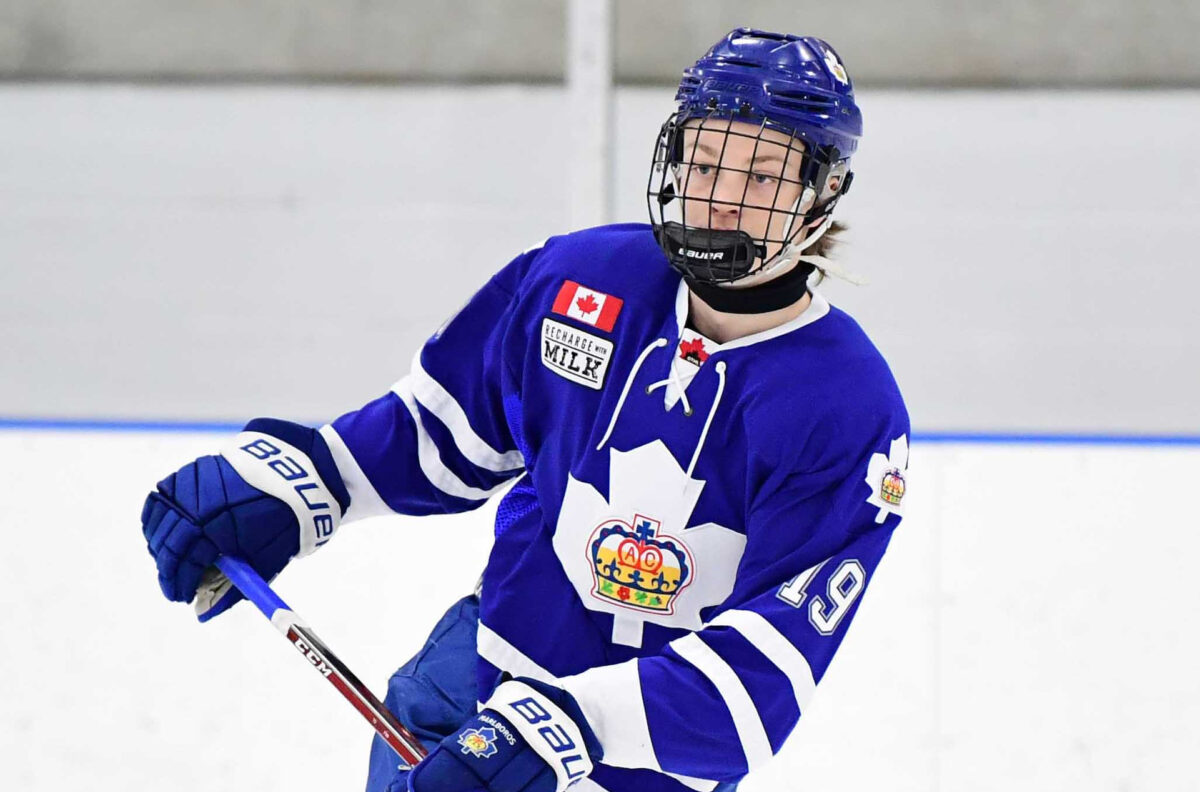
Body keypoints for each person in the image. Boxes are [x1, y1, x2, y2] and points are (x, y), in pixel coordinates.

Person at [141, 28, 910, 792]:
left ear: (824, 192)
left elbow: (755, 687)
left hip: (640, 772)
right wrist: (304, 481)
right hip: (472, 684)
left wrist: (571, 727)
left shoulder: (847, 408)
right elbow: (440, 432)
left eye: (761, 175)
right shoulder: (580, 277)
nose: (718, 198)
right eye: (704, 160)